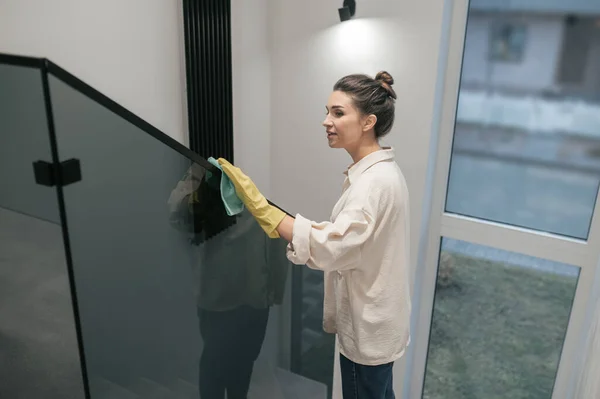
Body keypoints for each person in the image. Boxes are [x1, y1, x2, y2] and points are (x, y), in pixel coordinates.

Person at [218, 71, 411, 399]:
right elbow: (348, 240)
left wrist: (265, 211)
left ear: (368, 122)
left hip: (369, 328)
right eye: (327, 111)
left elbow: (333, 245)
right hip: (378, 323)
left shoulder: (374, 183)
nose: (326, 121)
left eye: (338, 113)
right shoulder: (378, 174)